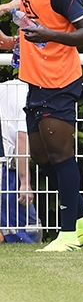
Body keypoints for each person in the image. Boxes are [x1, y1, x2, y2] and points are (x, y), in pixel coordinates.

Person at [0, 0, 83, 252]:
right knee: (43, 157)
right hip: (36, 80)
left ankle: (68, 234)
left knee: (61, 156)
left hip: (59, 81)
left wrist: (49, 32)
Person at [0, 77, 41, 243]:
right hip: (6, 166)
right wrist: (25, 182)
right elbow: (22, 138)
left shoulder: (7, 88)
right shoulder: (27, 93)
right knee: (28, 234)